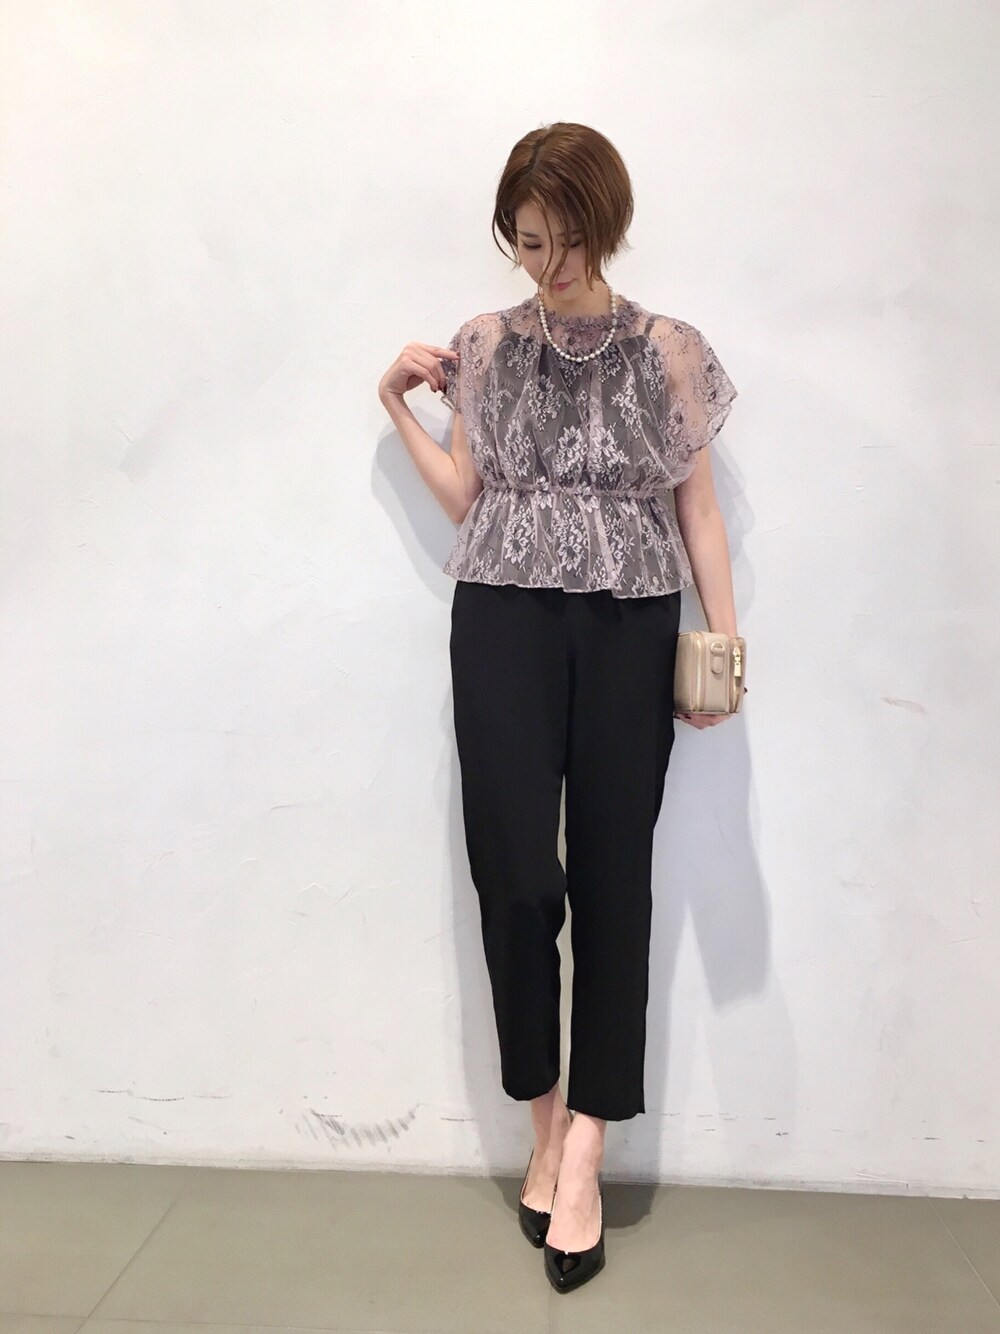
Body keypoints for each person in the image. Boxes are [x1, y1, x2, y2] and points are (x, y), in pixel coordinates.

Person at [377, 122, 743, 1293]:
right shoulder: (486, 345)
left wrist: (720, 646)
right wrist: (398, 406)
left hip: (630, 623)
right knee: (515, 871)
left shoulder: (669, 349)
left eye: (563, 241)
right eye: (526, 242)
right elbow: (469, 495)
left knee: (612, 873)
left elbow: (696, 510)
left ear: (606, 224)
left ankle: (586, 1144)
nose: (544, 264)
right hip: (500, 617)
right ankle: (541, 1118)